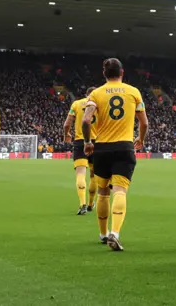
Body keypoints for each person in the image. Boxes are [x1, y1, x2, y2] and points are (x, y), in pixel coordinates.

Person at [82, 58, 148, 251]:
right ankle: (115, 233)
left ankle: (103, 234)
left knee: (103, 192)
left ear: (104, 74)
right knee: (120, 190)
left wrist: (87, 142)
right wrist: (140, 139)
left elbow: (86, 120)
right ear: (122, 72)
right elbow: (144, 123)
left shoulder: (96, 93)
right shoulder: (133, 92)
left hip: (102, 148)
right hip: (124, 147)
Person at [64, 87, 98, 215]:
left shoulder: (77, 104)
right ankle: (90, 204)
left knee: (80, 174)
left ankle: (82, 204)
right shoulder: (99, 104)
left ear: (86, 94)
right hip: (97, 142)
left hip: (80, 142)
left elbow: (67, 124)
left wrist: (66, 134)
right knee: (94, 176)